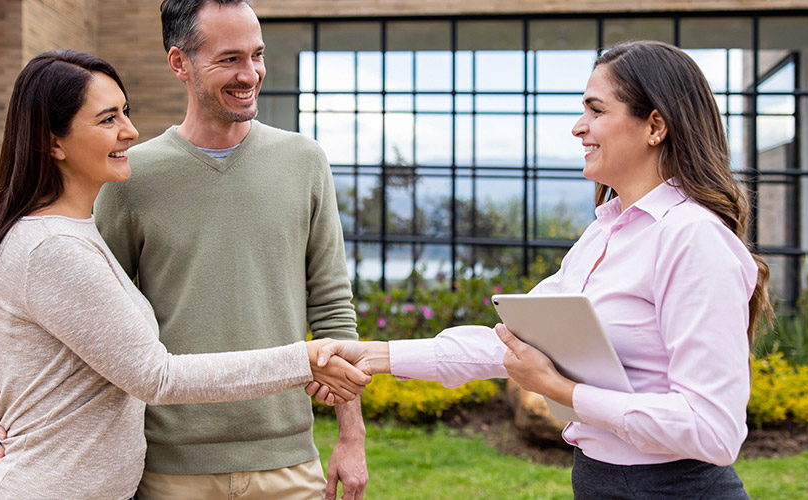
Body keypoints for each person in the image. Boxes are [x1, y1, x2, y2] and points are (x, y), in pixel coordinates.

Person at [309, 40, 772, 499]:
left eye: (596, 111)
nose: (578, 127)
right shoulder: (605, 235)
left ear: (655, 125)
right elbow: (512, 339)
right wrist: (374, 355)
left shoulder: (691, 237)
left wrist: (561, 390)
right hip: (600, 482)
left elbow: (714, 430)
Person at [0, 2, 371, 499]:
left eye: (258, 55)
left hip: (287, 459)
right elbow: (101, 342)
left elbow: (333, 305)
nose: (250, 74)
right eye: (229, 59)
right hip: (166, 466)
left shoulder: (304, 162)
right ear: (180, 63)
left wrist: (353, 435)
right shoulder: (123, 180)